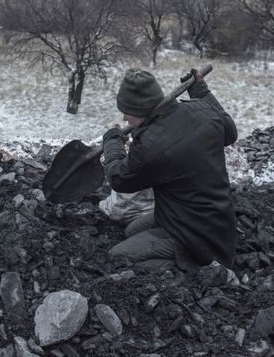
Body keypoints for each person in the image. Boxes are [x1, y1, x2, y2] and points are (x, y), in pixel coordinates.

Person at [101, 68, 238, 273]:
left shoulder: (150, 146)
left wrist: (112, 142)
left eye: (126, 112)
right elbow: (230, 132)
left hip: (193, 233)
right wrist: (200, 89)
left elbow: (120, 179)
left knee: (118, 258)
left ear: (140, 110)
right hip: (217, 220)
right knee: (132, 231)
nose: (124, 118)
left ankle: (197, 269)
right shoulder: (202, 109)